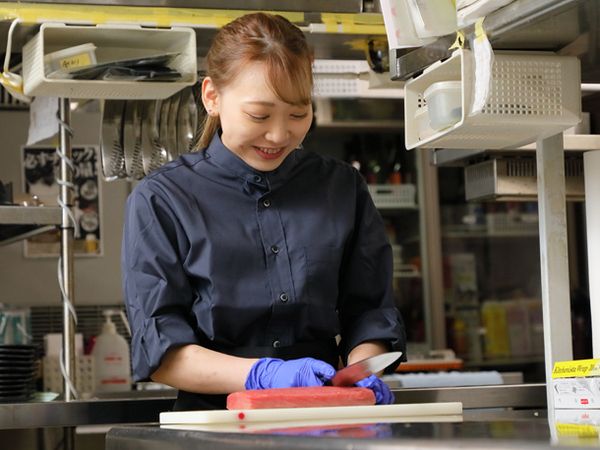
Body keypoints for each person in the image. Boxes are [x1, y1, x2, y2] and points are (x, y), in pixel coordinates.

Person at [122, 12, 406, 411]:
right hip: (216, 422)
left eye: (298, 114)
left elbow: (370, 312)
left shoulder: (342, 188)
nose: (278, 134)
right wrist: (264, 375)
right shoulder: (161, 199)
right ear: (212, 97)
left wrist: (362, 372)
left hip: (325, 414)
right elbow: (162, 351)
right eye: (260, 115)